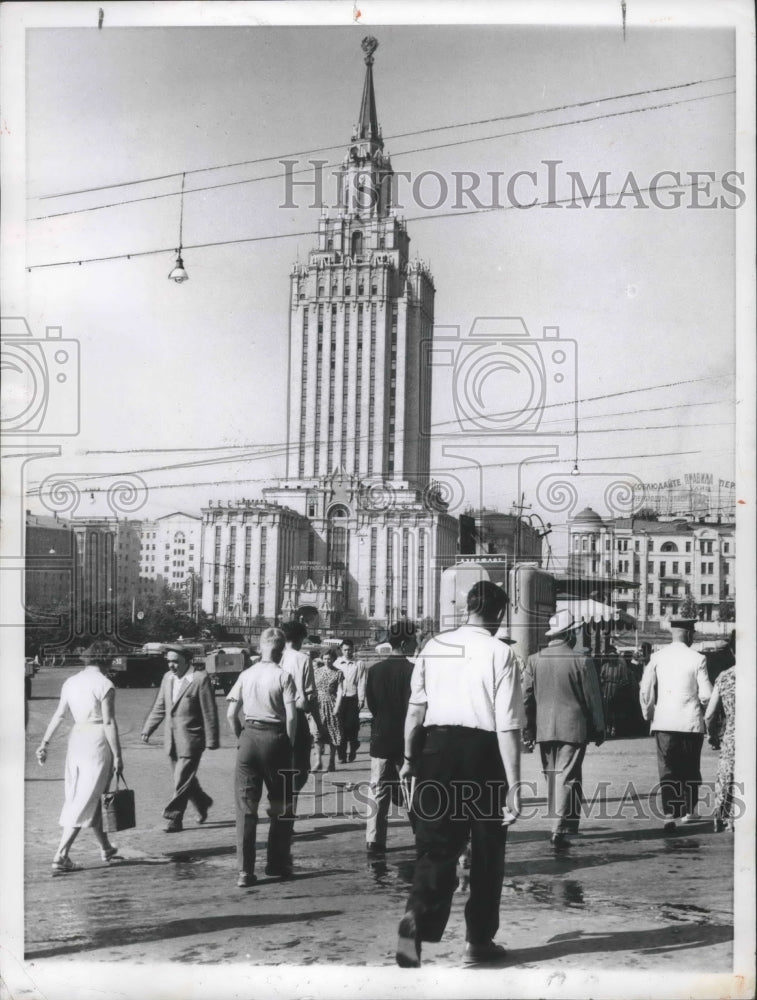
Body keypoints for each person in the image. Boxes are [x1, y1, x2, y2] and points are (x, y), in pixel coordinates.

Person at [396, 581, 523, 968]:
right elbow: (508, 726)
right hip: (483, 756)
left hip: (435, 750)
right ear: (500, 614)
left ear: (468, 607)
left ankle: (416, 918)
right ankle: (478, 942)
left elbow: (415, 712)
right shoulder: (502, 654)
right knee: (486, 852)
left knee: (436, 847)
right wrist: (515, 785)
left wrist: (408, 759)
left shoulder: (433, 647)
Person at [35, 641, 123, 873]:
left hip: (77, 740)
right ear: (105, 660)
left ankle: (105, 847)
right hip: (97, 741)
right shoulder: (105, 684)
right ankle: (61, 855)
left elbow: (59, 715)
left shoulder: (71, 682)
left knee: (86, 793)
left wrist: (44, 742)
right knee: (86, 797)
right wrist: (118, 755)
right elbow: (108, 722)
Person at [522, 610, 605, 850]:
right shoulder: (582, 660)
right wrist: (599, 728)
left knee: (553, 776)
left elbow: (526, 699)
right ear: (569, 633)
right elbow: (593, 700)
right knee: (568, 776)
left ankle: (568, 824)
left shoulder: (534, 660)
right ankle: (558, 827)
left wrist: (527, 730)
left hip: (544, 728)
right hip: (573, 727)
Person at [226, 627, 297, 887]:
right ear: (282, 651)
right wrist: (288, 745)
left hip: (249, 738)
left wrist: (241, 738)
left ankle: (245, 871)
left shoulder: (246, 674)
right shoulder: (284, 676)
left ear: (260, 647)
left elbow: (231, 715)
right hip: (276, 739)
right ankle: (276, 864)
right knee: (281, 804)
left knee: (245, 808)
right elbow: (291, 717)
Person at [639, 618, 712, 830]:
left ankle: (669, 813)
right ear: (689, 634)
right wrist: (706, 713)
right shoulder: (698, 658)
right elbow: (706, 694)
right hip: (690, 722)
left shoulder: (656, 657)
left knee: (668, 768)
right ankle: (690, 811)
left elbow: (645, 690)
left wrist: (650, 714)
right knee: (690, 767)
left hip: (664, 723)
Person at [141, 645, 219, 833]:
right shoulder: (167, 678)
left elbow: (209, 711)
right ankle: (202, 802)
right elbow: (160, 706)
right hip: (171, 739)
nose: (171, 665)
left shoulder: (200, 679)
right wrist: (147, 729)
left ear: (187, 660)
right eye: (169, 661)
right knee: (186, 779)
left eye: (175, 661)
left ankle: (175, 818)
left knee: (181, 779)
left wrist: (212, 739)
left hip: (192, 739)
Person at [364, 620, 417, 854]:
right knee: (413, 791)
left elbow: (372, 705)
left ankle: (374, 840)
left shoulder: (374, 671)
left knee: (378, 790)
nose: (416, 643)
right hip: (408, 742)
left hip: (381, 738)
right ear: (405, 642)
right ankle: (421, 833)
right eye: (414, 639)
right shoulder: (414, 671)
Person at [279, 621, 316, 802]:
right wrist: (320, 724)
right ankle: (288, 815)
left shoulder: (273, 657)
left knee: (279, 768)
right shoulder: (303, 659)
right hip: (297, 717)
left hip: (274, 718)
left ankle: (280, 814)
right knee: (299, 769)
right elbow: (310, 697)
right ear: (300, 638)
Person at [704, 663, 736, 832]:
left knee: (729, 776)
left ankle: (727, 819)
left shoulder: (724, 676)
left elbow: (709, 715)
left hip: (733, 737)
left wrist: (713, 737)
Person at [309, 647, 345, 772]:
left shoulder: (338, 673)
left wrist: (337, 706)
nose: (327, 661)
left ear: (334, 659)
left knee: (332, 733)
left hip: (331, 703)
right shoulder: (316, 671)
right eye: (325, 658)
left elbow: (341, 691)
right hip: (317, 704)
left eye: (329, 659)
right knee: (316, 733)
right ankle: (318, 761)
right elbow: (312, 688)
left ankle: (331, 762)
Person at [334, 638, 366, 762]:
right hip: (339, 699)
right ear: (341, 650)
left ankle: (353, 748)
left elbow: (361, 682)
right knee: (340, 727)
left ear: (353, 650)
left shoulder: (359, 664)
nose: (347, 652)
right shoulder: (336, 663)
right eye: (345, 650)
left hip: (353, 698)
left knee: (352, 726)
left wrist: (361, 699)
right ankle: (341, 755)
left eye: (349, 650)